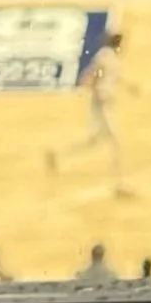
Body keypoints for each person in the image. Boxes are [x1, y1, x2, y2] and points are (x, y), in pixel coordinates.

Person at [50, 30, 129, 194]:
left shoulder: (110, 57)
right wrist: (90, 83)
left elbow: (108, 76)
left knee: (93, 141)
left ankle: (57, 155)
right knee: (115, 141)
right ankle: (119, 184)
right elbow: (95, 72)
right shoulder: (107, 56)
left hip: (102, 102)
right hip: (102, 103)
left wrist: (129, 87)